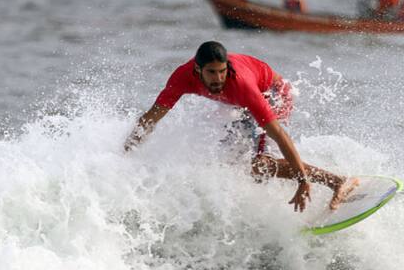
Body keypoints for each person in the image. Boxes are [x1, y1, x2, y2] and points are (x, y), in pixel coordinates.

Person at [125, 41, 358, 212]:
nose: (217, 79)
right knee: (236, 164)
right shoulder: (182, 78)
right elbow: (151, 117)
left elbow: (279, 135)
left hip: (273, 93)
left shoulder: (242, 85)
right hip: (241, 106)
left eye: (222, 71)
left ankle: (337, 181)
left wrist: (302, 180)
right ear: (197, 70)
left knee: (260, 165)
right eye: (211, 73)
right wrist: (127, 151)